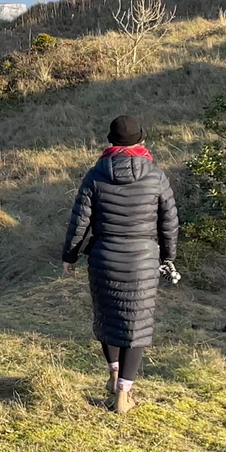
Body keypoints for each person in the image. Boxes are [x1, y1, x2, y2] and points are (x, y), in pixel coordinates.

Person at [62, 115, 179, 413]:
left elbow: (80, 221)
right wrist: (168, 257)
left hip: (104, 258)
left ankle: (113, 376)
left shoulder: (95, 174)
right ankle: (124, 395)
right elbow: (169, 222)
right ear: (142, 141)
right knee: (135, 327)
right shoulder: (155, 175)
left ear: (110, 142)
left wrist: (70, 256)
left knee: (109, 319)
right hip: (143, 261)